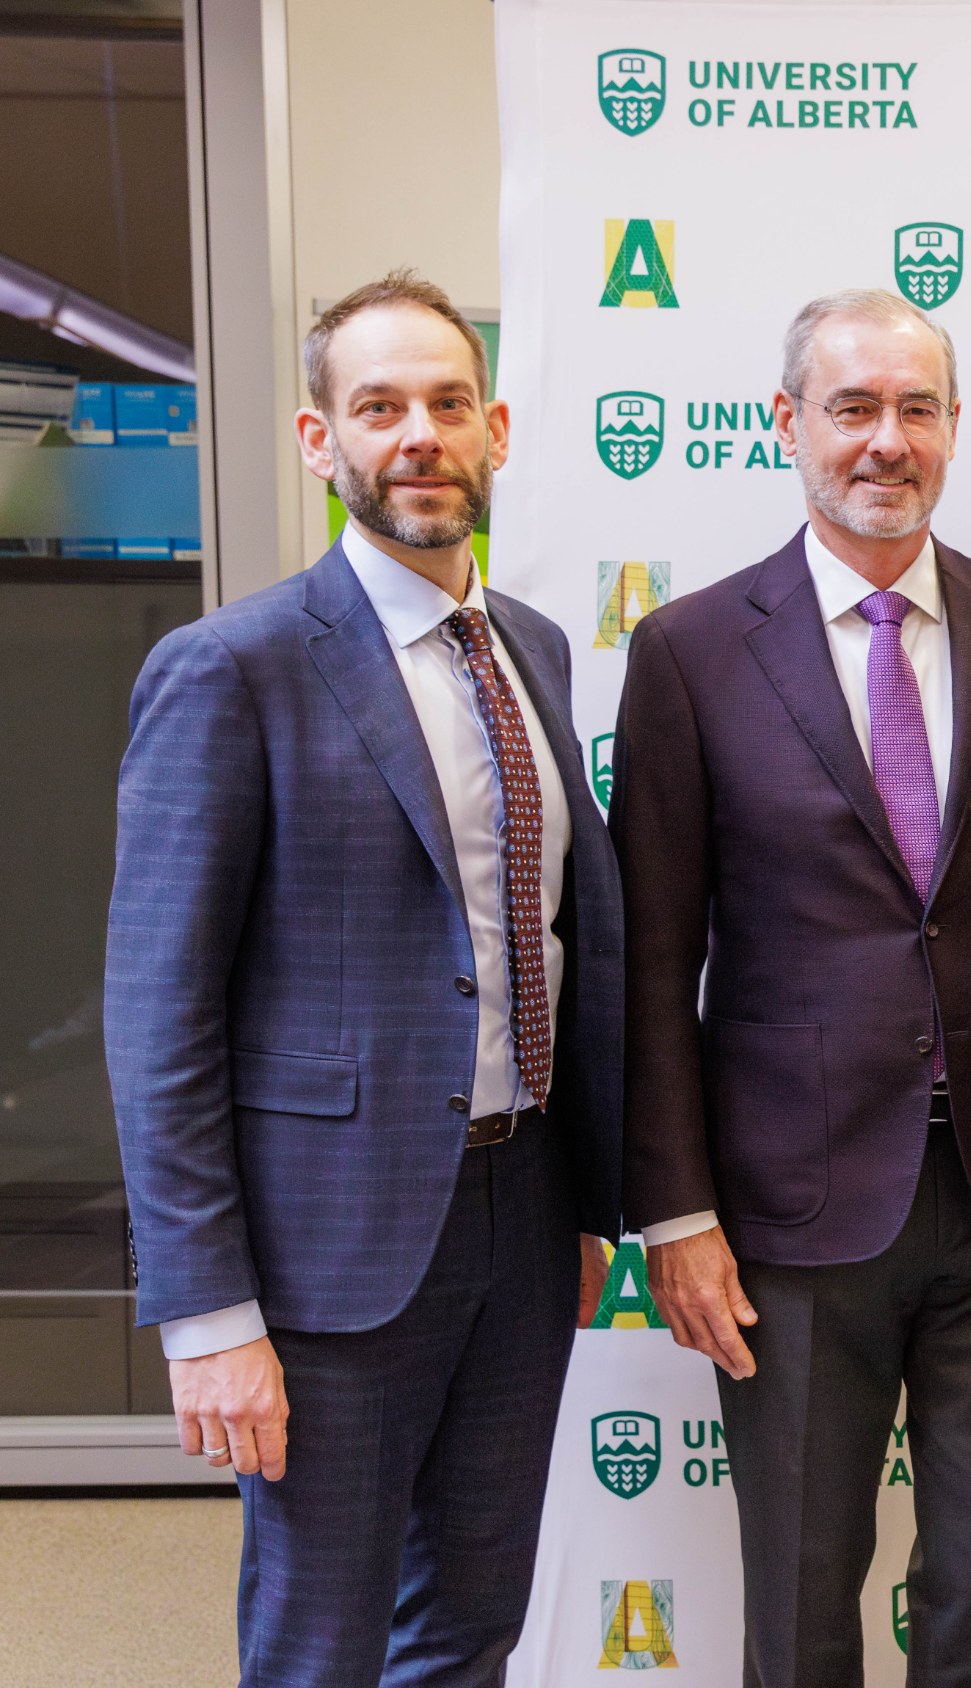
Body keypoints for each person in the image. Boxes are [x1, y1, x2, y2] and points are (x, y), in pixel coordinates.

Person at [611, 289, 971, 1687]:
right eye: (852, 407)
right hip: (785, 1216)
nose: (885, 441)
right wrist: (676, 1211)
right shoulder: (688, 652)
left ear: (956, 429)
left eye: (916, 409)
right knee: (797, 1593)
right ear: (785, 424)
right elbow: (654, 965)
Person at [106, 270, 623, 1685]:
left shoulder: (534, 649)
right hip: (324, 1261)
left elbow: (554, 939)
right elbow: (161, 1019)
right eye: (379, 406)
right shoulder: (232, 669)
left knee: (468, 1625)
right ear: (317, 439)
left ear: (498, 429)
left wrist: (583, 1206)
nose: (420, 436)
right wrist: (205, 1315)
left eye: (448, 404)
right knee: (320, 1641)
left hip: (524, 1225)